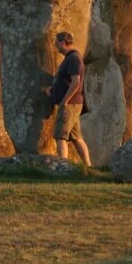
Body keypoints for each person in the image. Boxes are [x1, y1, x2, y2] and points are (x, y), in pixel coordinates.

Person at [44, 32, 91, 165]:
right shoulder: (69, 58)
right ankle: (88, 166)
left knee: (60, 136)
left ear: (63, 42)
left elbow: (76, 82)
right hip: (73, 103)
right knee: (76, 138)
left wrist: (64, 101)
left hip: (69, 104)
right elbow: (65, 81)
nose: (55, 45)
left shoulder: (73, 59)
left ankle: (63, 167)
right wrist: (52, 88)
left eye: (56, 42)